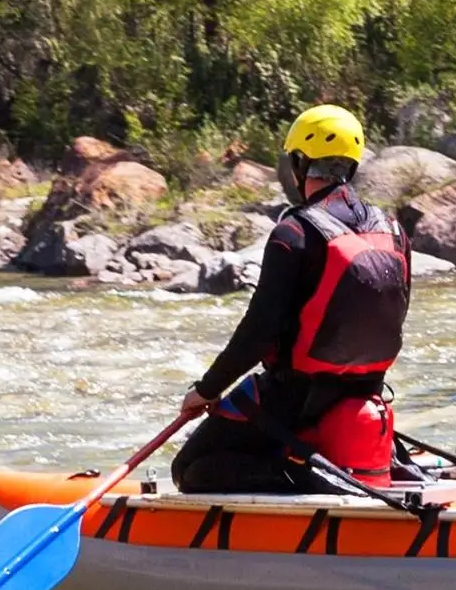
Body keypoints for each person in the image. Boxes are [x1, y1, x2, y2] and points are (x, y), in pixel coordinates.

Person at [175, 105, 412, 495]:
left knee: (191, 468)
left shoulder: (294, 232)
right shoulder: (394, 230)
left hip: (292, 400)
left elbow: (259, 330)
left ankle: (307, 475)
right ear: (350, 167)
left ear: (300, 163)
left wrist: (207, 389)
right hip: (366, 392)